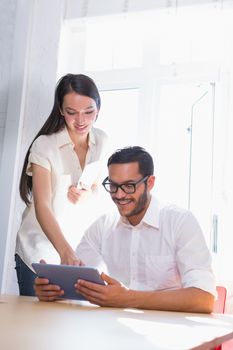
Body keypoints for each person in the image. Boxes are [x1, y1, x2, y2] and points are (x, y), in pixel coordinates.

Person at [34, 146, 216, 313]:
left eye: (129, 186)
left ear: (150, 183)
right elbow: (75, 282)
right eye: (113, 186)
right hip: (116, 332)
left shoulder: (180, 222)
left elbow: (204, 299)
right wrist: (54, 290)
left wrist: (129, 299)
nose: (119, 195)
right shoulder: (103, 226)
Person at [15, 73, 108, 296]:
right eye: (71, 112)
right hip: (39, 251)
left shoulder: (102, 141)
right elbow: (43, 206)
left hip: (77, 252)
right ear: (60, 110)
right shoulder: (45, 146)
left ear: (98, 108)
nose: (81, 120)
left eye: (89, 111)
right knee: (35, 325)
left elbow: (97, 189)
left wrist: (89, 195)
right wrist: (64, 251)